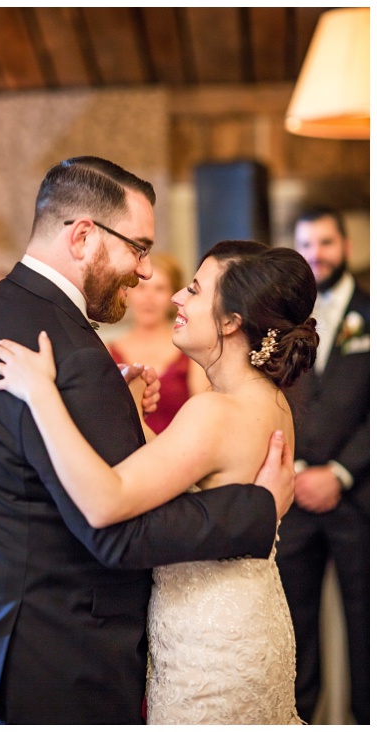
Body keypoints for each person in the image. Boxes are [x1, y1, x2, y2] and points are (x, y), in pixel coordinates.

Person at [0, 156, 294, 724]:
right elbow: (116, 532)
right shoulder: (71, 353)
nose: (147, 274)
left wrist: (122, 411)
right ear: (82, 237)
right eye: (138, 248)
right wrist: (257, 508)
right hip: (58, 656)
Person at [0, 240, 313, 723]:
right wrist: (135, 417)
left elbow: (105, 499)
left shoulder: (213, 413)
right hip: (250, 622)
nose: (178, 297)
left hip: (207, 646)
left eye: (196, 290)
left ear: (230, 322)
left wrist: (40, 395)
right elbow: (193, 479)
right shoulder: (271, 401)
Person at [280, 205, 369, 724]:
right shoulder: (280, 321)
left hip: (358, 497)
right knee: (294, 629)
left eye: (326, 243)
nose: (317, 255)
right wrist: (293, 470)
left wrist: (338, 472)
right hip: (292, 498)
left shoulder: (372, 312)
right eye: (306, 246)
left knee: (368, 629)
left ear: (346, 247)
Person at [107, 252, 205, 433]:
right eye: (142, 288)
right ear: (128, 293)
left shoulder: (192, 353)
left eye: (159, 289)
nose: (149, 298)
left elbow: (205, 421)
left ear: (173, 296)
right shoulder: (105, 351)